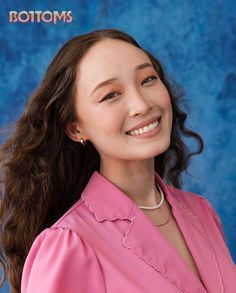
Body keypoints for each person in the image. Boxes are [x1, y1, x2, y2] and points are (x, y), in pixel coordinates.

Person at [0, 29, 235, 293]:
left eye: (147, 80)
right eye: (110, 95)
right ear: (76, 129)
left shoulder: (202, 213)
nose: (141, 105)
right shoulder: (70, 244)